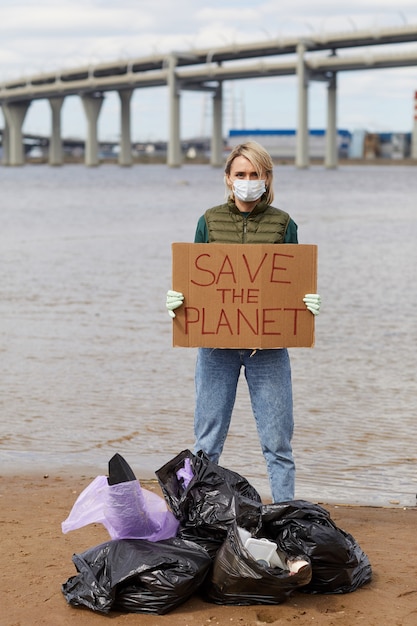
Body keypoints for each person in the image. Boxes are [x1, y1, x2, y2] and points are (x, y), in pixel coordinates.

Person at [166, 141, 320, 503]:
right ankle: (196, 520)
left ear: (266, 178)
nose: (248, 181)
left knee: (278, 444)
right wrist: (179, 302)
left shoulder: (284, 223)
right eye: (241, 174)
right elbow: (196, 279)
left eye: (255, 174)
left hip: (267, 351)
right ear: (228, 179)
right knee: (207, 443)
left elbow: (293, 281)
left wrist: (307, 303)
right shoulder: (209, 220)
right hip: (215, 348)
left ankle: (284, 516)